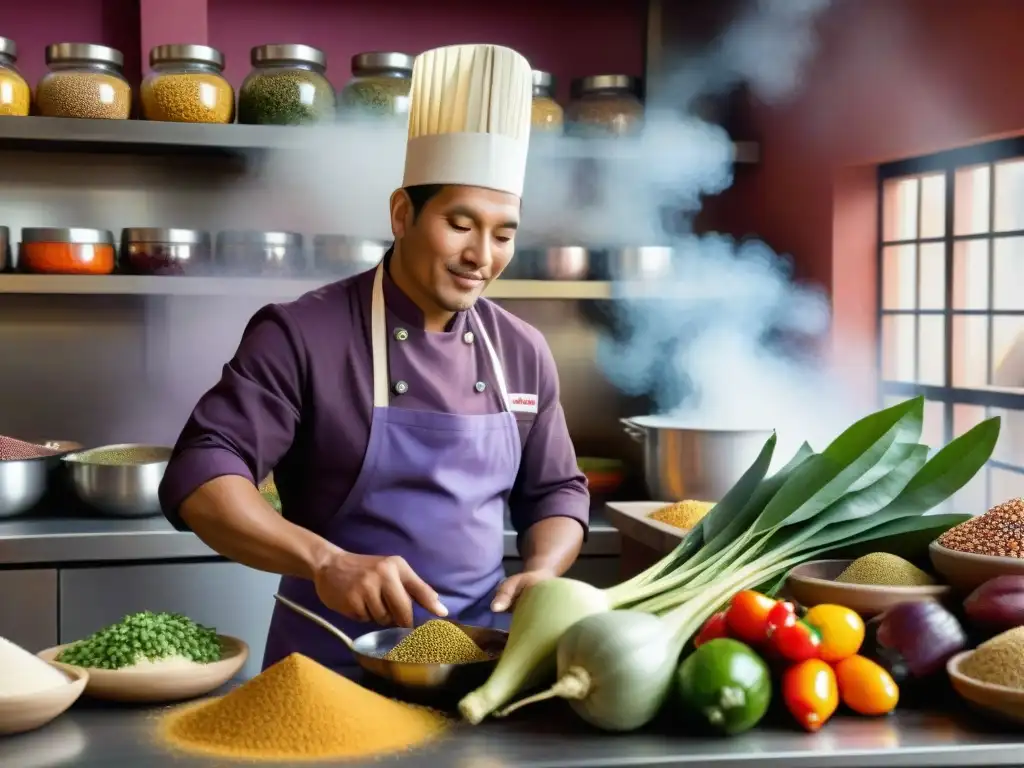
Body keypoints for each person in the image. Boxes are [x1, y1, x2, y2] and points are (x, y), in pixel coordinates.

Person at [158, 43, 590, 671]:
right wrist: (323, 561)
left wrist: (545, 570)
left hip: (476, 666)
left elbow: (555, 492)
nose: (482, 255)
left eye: (504, 233)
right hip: (327, 669)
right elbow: (201, 473)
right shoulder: (305, 333)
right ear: (401, 214)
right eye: (461, 223)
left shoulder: (522, 351)